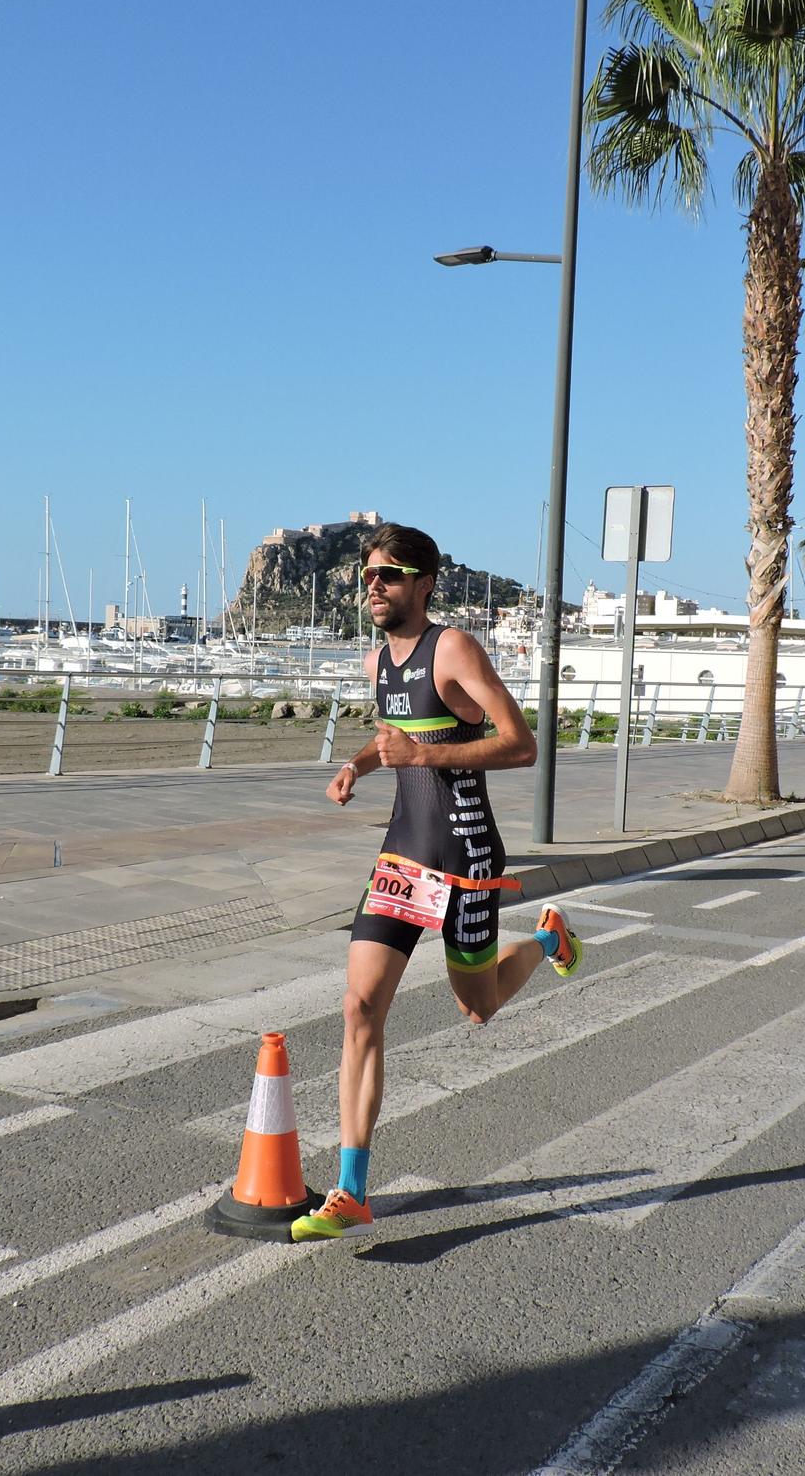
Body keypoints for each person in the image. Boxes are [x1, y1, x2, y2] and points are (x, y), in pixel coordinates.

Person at [298, 522, 583, 1242]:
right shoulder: (376, 665)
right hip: (402, 859)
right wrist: (359, 766)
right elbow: (393, 732)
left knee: (478, 1005)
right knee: (360, 1007)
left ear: (424, 583)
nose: (374, 586)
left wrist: (423, 759)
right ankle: (353, 1190)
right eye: (367, 576)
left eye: (389, 574)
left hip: (465, 857)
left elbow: (520, 744)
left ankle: (548, 942)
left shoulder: (452, 648)